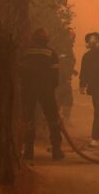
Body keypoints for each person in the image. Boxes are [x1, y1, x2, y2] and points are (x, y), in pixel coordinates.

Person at [20, 28, 64, 161]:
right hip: (46, 90)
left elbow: (21, 72)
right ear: (46, 40)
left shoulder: (26, 52)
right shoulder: (51, 53)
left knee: (28, 119)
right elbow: (55, 77)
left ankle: (28, 151)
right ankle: (56, 151)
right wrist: (52, 89)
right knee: (53, 119)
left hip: (28, 90)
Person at [56, 29, 78, 124]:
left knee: (63, 97)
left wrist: (72, 71)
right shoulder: (64, 46)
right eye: (73, 36)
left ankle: (61, 119)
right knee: (67, 98)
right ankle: (63, 120)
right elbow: (63, 62)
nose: (74, 39)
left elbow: (66, 61)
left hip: (62, 77)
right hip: (62, 78)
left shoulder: (67, 46)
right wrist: (67, 77)